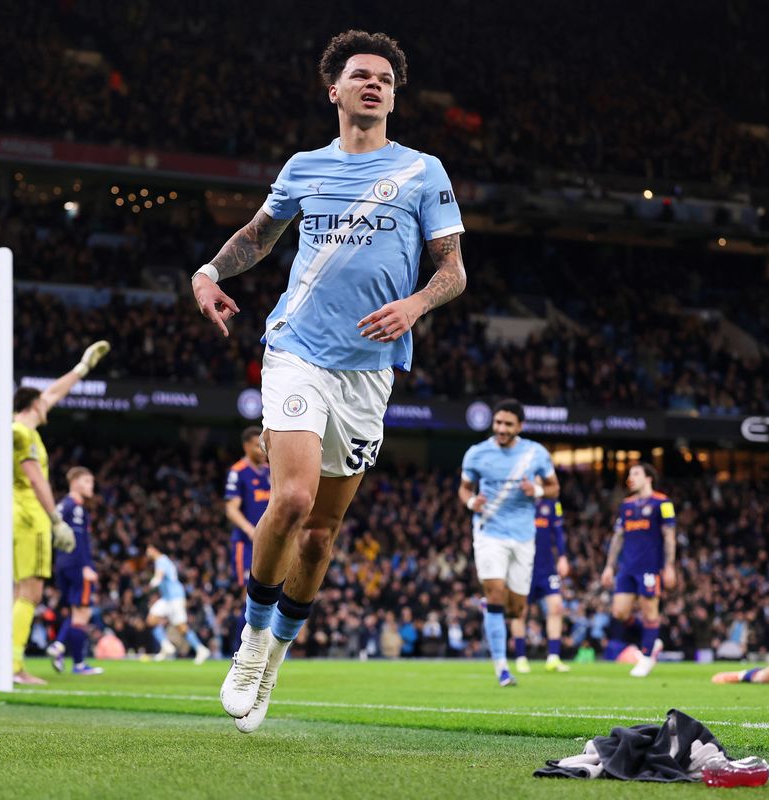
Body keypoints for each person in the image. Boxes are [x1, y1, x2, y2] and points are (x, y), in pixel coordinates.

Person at [191, 30, 467, 733]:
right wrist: (209, 274)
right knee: (290, 498)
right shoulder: (305, 167)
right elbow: (258, 234)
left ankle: (276, 659)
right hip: (296, 349)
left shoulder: (423, 172)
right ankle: (252, 641)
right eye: (360, 76)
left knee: (320, 535)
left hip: (369, 373)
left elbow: (453, 270)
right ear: (335, 90)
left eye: (385, 79)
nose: (373, 84)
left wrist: (416, 303)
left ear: (394, 96)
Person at [10, 341, 109, 686]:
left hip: (15, 515)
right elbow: (36, 478)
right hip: (29, 516)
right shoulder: (24, 436)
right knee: (29, 593)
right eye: (43, 401)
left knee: (20, 592)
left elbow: (53, 392)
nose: (49, 402)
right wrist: (55, 519)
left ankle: (9, 661)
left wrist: (82, 368)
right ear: (34, 404)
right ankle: (14, 667)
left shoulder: (22, 426)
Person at [459, 399, 560, 686]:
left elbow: (554, 488)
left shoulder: (535, 453)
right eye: (498, 423)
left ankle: (493, 607)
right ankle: (502, 668)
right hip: (489, 532)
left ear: (520, 426)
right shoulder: (477, 454)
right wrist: (471, 502)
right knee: (494, 595)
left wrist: (537, 489)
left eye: (508, 424)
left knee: (516, 608)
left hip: (523, 536)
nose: (501, 429)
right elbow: (464, 489)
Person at [600, 463, 676, 678]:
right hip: (627, 568)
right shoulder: (626, 505)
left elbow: (669, 535)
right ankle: (653, 641)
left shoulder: (662, 503)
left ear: (648, 478)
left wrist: (669, 566)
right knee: (619, 613)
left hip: (649, 567)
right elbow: (618, 538)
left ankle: (646, 656)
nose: (630, 477)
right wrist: (608, 567)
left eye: (636, 473)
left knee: (650, 611)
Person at [46, 466, 103, 676]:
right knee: (83, 613)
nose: (91, 486)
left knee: (76, 611)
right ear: (76, 482)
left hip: (62, 564)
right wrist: (86, 566)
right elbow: (80, 542)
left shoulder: (62, 506)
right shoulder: (77, 508)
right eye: (88, 481)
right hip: (77, 566)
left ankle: (63, 650)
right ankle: (67, 652)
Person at [510, 498, 570, 673]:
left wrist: (563, 557)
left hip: (546, 568)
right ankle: (521, 657)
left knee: (556, 607)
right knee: (520, 611)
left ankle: (553, 657)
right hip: (522, 566)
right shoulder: (517, 502)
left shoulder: (551, 504)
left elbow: (558, 532)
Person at [224, 426, 270, 654]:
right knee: (249, 595)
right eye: (256, 445)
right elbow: (231, 509)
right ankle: (241, 650)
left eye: (262, 445)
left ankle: (263, 649)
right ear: (246, 446)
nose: (261, 450)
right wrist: (250, 530)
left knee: (272, 593)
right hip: (247, 543)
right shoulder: (238, 471)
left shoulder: (271, 472)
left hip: (271, 544)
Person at [144, 542, 211, 665]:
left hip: (175, 598)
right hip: (167, 598)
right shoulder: (161, 561)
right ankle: (166, 647)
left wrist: (151, 584)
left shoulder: (162, 560)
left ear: (154, 549)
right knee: (151, 620)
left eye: (148, 549)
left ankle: (201, 649)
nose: (147, 552)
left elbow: (159, 577)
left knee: (181, 626)